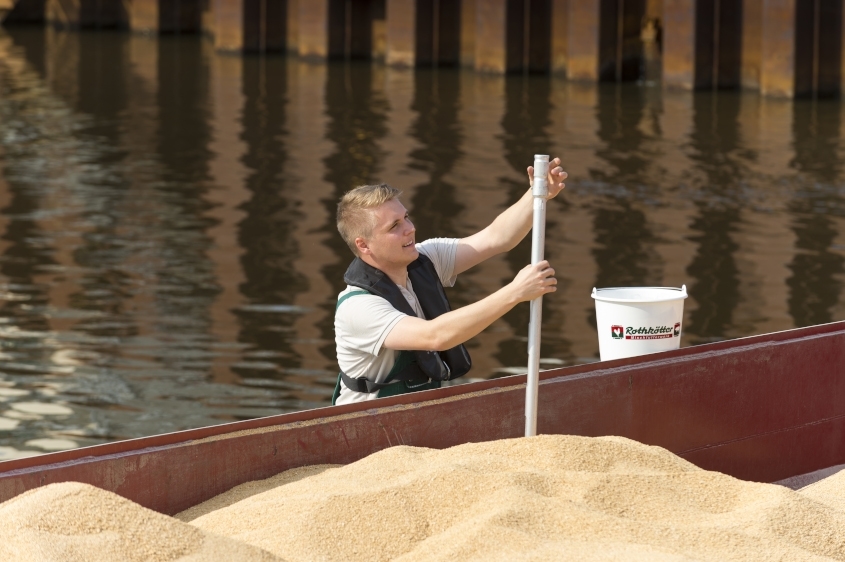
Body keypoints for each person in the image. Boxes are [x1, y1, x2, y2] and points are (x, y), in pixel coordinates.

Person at [332, 159, 567, 405]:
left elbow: (498, 238)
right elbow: (435, 336)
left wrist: (537, 194)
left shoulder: (426, 257)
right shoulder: (357, 307)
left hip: (416, 414)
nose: (410, 229)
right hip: (363, 424)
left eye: (406, 217)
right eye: (395, 226)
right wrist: (515, 292)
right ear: (363, 245)